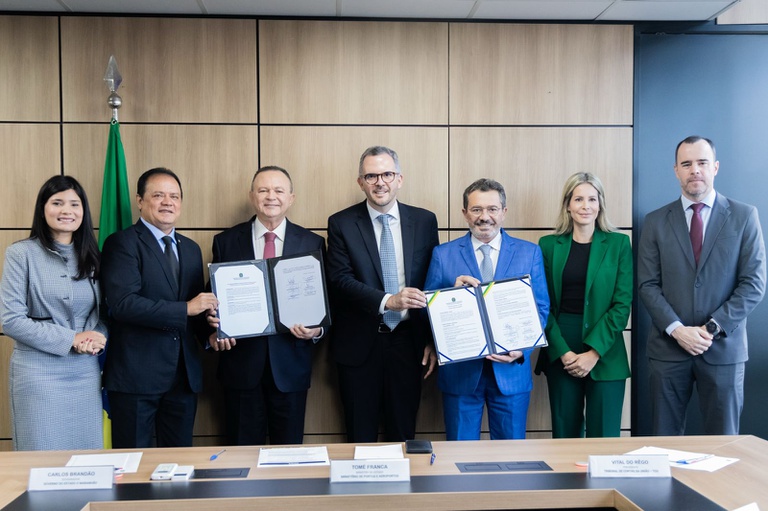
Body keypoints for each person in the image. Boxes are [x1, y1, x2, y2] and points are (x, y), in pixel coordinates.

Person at [638, 136, 766, 435]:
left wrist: (710, 329)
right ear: (676, 170)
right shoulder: (655, 221)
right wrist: (678, 330)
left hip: (723, 349)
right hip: (668, 350)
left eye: (702, 162)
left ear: (715, 167)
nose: (694, 170)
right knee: (665, 442)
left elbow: (754, 284)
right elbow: (647, 284)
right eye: (686, 164)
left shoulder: (744, 216)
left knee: (724, 443)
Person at [207, 166, 326, 445]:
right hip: (241, 367)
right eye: (263, 190)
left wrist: (317, 331)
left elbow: (327, 301)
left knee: (290, 455)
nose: (271, 196)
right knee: (241, 454)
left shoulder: (313, 242)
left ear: (291, 198)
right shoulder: (226, 241)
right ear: (252, 196)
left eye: (279, 190)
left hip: (291, 368)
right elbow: (212, 297)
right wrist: (213, 326)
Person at [327, 145, 439, 442]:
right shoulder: (341, 223)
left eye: (387, 174)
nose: (380, 182)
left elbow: (433, 279)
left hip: (408, 343)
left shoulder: (425, 221)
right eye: (371, 176)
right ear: (360, 182)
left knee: (403, 435)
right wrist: (387, 301)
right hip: (359, 343)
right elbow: (339, 280)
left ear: (399, 178)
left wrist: (432, 337)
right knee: (359, 436)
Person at [101, 167, 218, 448]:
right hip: (136, 377)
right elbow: (123, 304)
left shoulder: (190, 249)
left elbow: (195, 309)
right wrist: (185, 309)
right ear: (140, 201)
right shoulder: (122, 243)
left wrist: (210, 335)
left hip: (183, 377)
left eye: (174, 196)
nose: (168, 202)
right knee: (132, 462)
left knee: (179, 462)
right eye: (158, 195)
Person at [424, 178, 549, 440]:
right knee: (459, 454)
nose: (484, 217)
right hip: (461, 375)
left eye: (492, 209)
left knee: (511, 455)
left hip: (511, 372)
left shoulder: (529, 253)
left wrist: (521, 350)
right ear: (465, 213)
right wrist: (451, 296)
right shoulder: (443, 255)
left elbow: (541, 309)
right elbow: (427, 311)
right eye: (476, 209)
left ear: (504, 212)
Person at [1, 175, 107, 450]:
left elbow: (102, 314)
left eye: (74, 204)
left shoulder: (92, 256)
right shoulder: (21, 254)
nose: (66, 210)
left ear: (83, 211)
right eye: (57, 203)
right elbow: (10, 319)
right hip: (38, 373)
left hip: (85, 372)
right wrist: (71, 338)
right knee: (41, 457)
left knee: (86, 457)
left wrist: (97, 336)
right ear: (43, 208)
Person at [536, 172, 632, 438]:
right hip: (561, 347)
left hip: (606, 349)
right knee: (565, 436)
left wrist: (594, 353)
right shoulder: (548, 245)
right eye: (578, 199)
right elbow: (542, 304)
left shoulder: (619, 244)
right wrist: (563, 352)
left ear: (600, 204)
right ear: (568, 204)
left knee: (605, 437)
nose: (585, 206)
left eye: (592, 199)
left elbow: (622, 304)